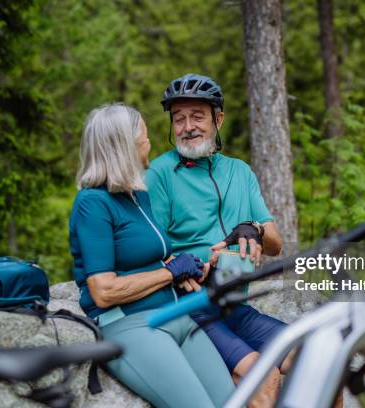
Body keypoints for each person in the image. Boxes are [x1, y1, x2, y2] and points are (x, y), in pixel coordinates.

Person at [68, 102, 235, 408]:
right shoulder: (92, 204)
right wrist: (169, 273)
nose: (150, 143)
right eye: (144, 137)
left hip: (176, 315)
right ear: (125, 146)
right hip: (130, 326)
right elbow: (103, 291)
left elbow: (150, 256)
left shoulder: (137, 194)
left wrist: (182, 267)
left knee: (234, 402)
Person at [145, 73, 292, 407]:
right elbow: (149, 251)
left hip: (235, 305)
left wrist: (253, 227)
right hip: (190, 306)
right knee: (262, 376)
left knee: (315, 356)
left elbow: (276, 244)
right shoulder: (159, 175)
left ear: (218, 119)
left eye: (197, 116)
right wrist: (193, 265)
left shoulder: (240, 172)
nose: (187, 126)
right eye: (179, 118)